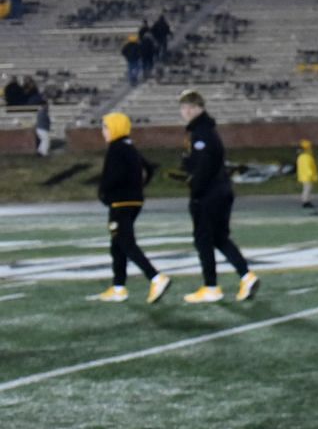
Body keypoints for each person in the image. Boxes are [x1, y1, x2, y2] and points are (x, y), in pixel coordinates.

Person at [178, 90, 256, 303]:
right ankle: (246, 276)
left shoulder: (201, 131)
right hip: (220, 190)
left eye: (186, 108)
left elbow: (204, 165)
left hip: (209, 193)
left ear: (196, 108)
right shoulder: (206, 130)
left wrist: (195, 189)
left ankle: (210, 286)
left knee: (203, 239)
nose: (184, 112)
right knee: (220, 237)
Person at [96, 112, 169, 303]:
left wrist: (103, 194)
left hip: (120, 202)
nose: (103, 132)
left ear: (115, 127)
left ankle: (155, 277)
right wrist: (138, 187)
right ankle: (118, 287)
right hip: (134, 201)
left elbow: (111, 176)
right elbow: (150, 168)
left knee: (125, 242)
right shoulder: (130, 147)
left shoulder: (116, 148)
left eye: (105, 127)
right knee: (117, 244)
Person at [295, 139, 318, 207]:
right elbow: (308, 167)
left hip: (304, 175)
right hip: (307, 176)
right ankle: (306, 201)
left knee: (306, 189)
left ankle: (305, 200)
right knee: (307, 189)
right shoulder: (306, 157)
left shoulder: (301, 157)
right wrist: (311, 175)